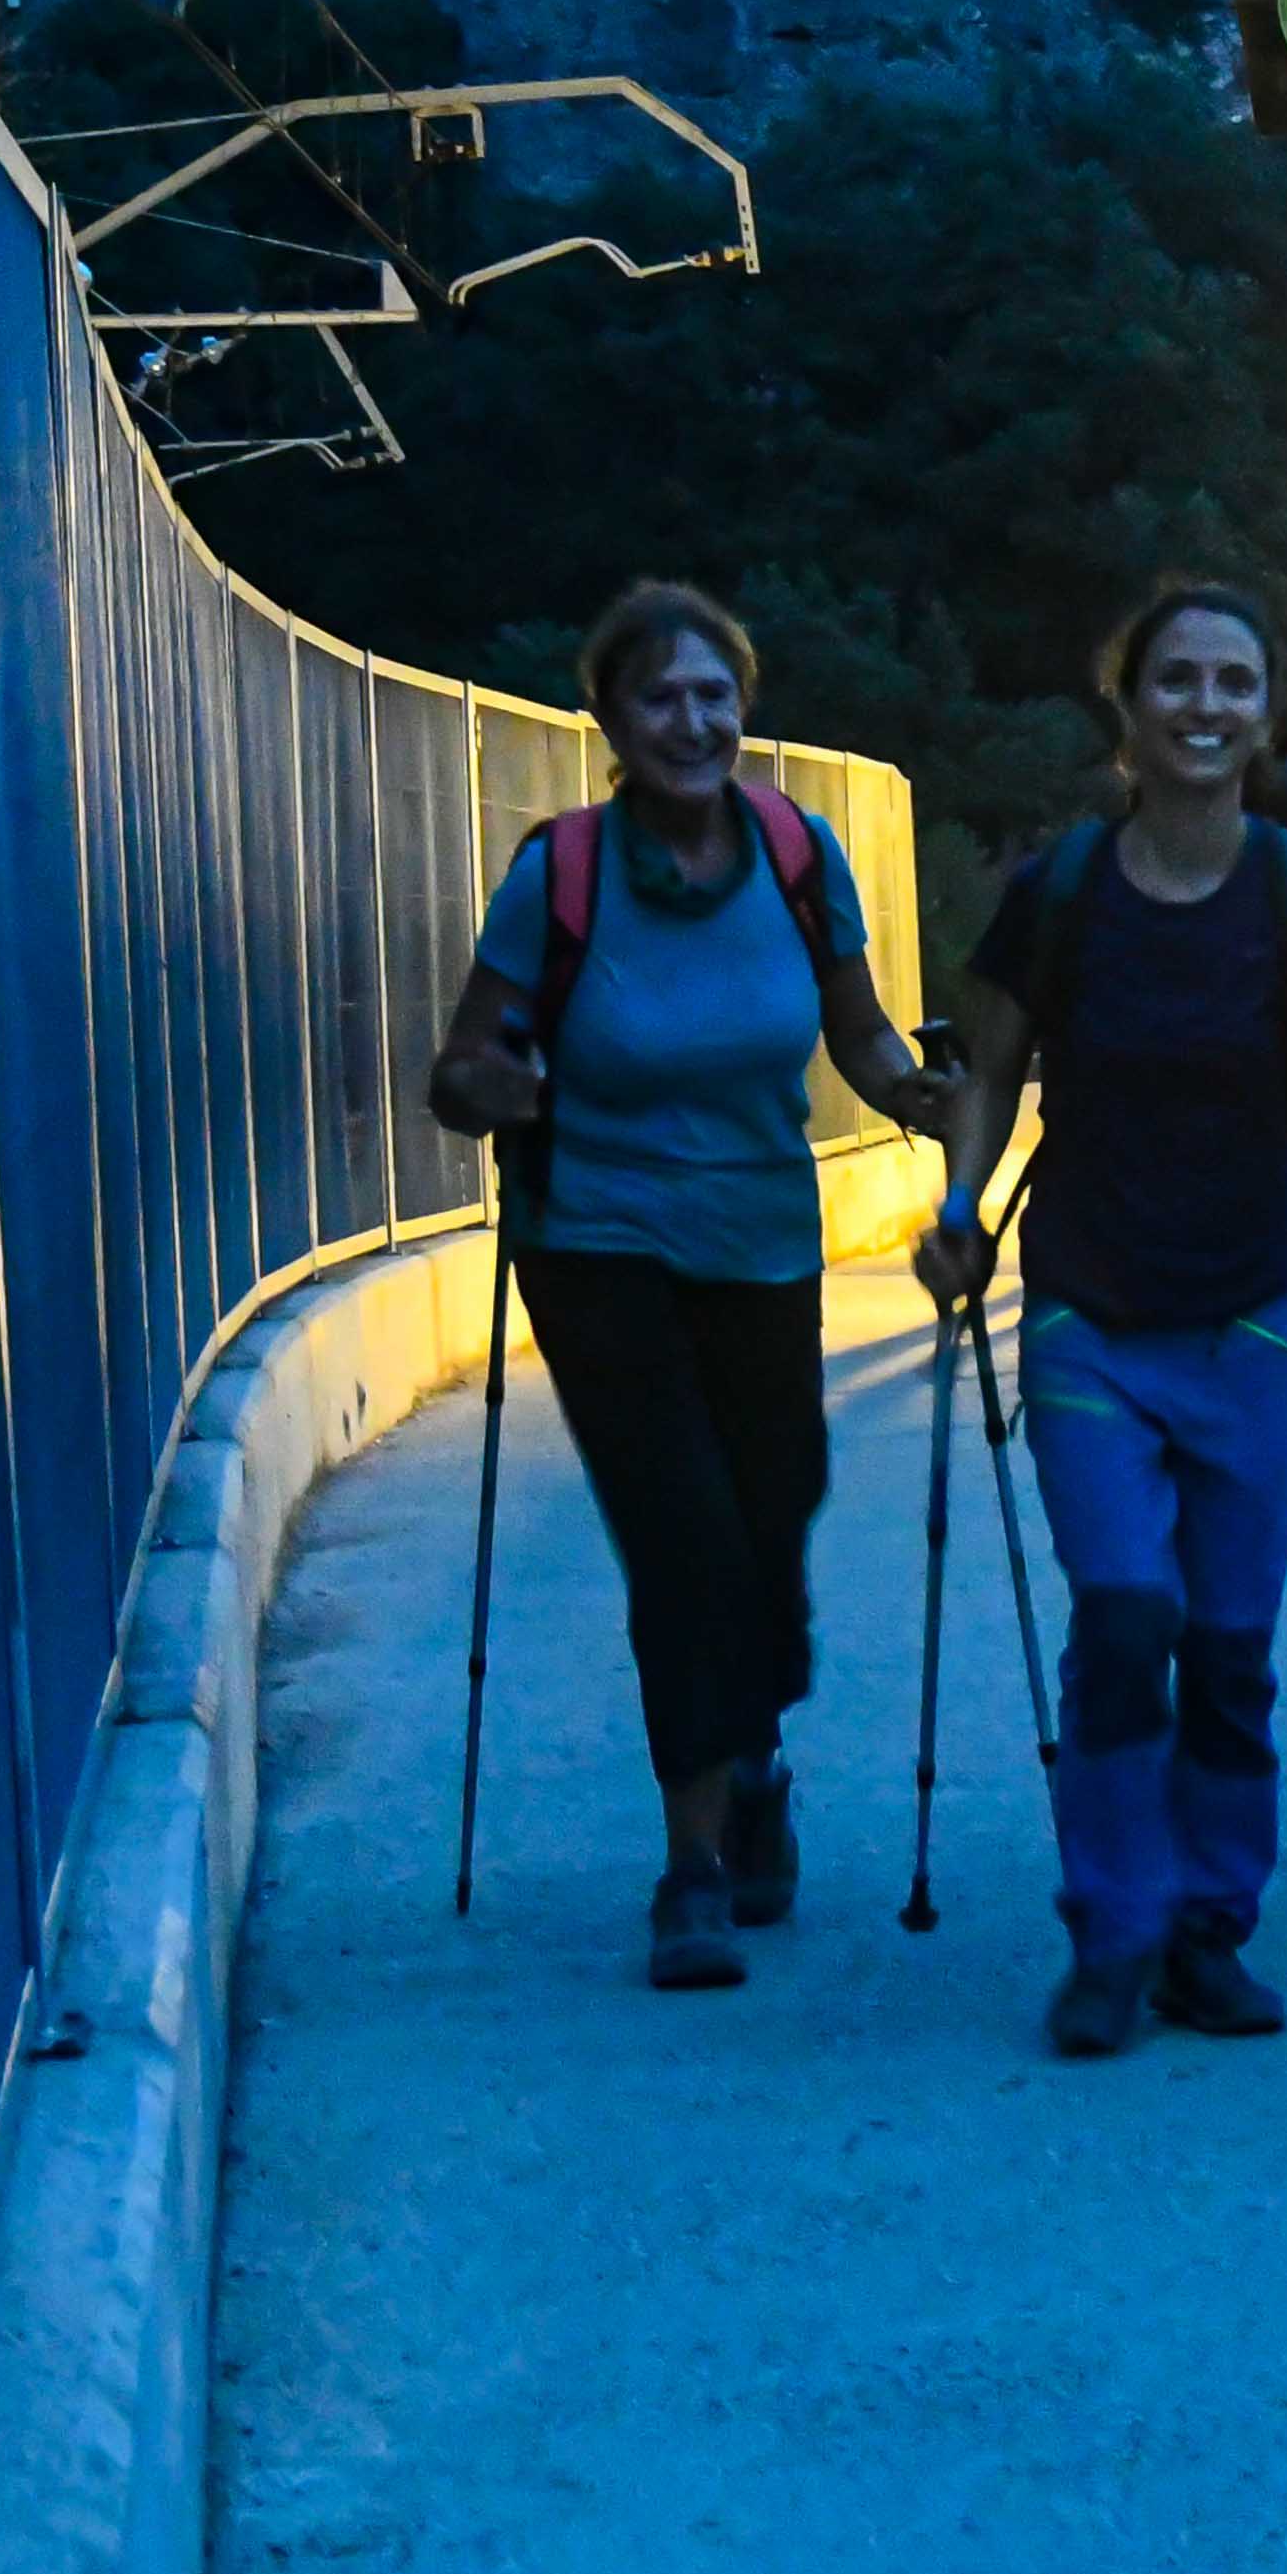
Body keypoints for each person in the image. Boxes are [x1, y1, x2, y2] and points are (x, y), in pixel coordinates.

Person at [921, 586, 1287, 2059]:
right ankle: (1114, 1931)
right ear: (1128, 709)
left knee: (1229, 1648)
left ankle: (1209, 1930)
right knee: (1126, 1615)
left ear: (1264, 715)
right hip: (1092, 1310)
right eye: (1178, 681)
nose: (1207, 706)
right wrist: (958, 1204)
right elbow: (991, 1074)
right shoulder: (1066, 889)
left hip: (1258, 1319)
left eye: (1234, 683)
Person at [425, 583, 950, 1993]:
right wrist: (496, 1087)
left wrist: (920, 1095)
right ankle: (694, 1866)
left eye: (714, 695)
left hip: (762, 1236)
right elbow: (460, 1067)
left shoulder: (795, 851)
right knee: (683, 1535)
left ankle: (756, 1759)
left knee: (772, 1519)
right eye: (661, 696)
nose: (692, 720)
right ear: (609, 717)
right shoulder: (562, 871)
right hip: (595, 1239)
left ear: (745, 711)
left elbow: (857, 1031)